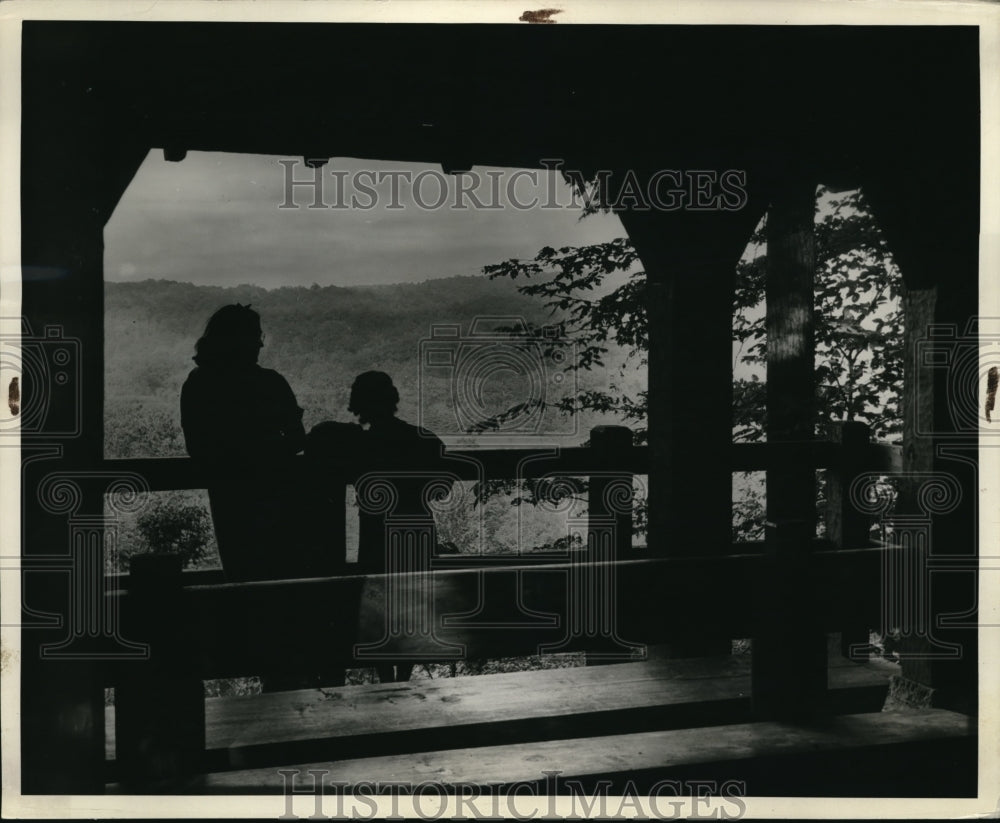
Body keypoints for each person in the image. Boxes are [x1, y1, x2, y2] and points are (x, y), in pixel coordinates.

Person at [180, 304, 334, 582]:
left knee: (242, 575)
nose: (260, 344)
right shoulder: (271, 383)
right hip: (278, 495)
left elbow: (198, 448)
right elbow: (297, 438)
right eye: (255, 336)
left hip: (229, 497)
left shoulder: (199, 383)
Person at [347, 371, 445, 683]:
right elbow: (441, 488)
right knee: (413, 605)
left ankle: (387, 680)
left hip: (376, 534)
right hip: (416, 528)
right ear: (393, 400)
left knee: (379, 607)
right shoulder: (423, 439)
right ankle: (403, 677)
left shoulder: (358, 446)